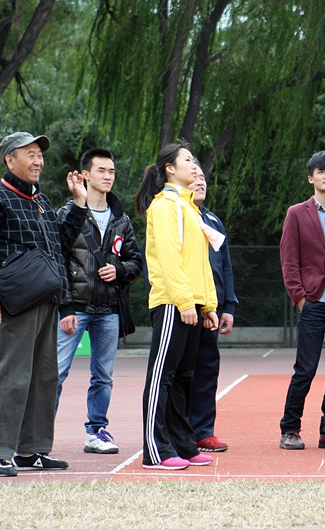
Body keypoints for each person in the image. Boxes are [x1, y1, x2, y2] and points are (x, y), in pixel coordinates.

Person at [0, 132, 86, 476]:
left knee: (45, 378)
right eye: (30, 154)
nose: (38, 161)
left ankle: (31, 451)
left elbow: (59, 249)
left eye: (39, 155)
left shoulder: (42, 201)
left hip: (47, 299)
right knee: (13, 377)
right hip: (16, 303)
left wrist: (78, 204)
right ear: (9, 160)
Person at [136, 142, 219, 470]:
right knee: (163, 377)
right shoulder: (166, 205)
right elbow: (169, 259)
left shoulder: (190, 208)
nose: (194, 165)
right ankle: (154, 450)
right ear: (170, 168)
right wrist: (185, 301)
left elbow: (200, 263)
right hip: (172, 303)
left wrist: (207, 304)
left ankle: (183, 444)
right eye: (187, 160)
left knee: (185, 376)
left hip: (192, 305)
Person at [55, 148, 143, 455]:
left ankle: (96, 432)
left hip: (109, 310)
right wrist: (64, 306)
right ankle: (38, 435)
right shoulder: (69, 213)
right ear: (86, 175)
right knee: (55, 373)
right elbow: (58, 261)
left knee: (103, 376)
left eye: (112, 172)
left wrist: (117, 270)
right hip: (75, 309)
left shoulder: (121, 220)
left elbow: (136, 264)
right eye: (102, 171)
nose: (108, 177)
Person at [278, 151, 325, 451]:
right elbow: (289, 259)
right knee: (306, 368)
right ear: (311, 177)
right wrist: (299, 298)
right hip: (312, 301)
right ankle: (290, 428)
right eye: (321, 171)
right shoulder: (296, 213)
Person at [188, 165, 239, 453]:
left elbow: (225, 266)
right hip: (183, 306)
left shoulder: (212, 221)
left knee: (207, 370)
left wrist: (228, 305)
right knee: (182, 373)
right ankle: (177, 430)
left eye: (203, 178)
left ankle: (204, 432)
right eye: (193, 176)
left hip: (212, 309)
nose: (200, 182)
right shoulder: (175, 216)